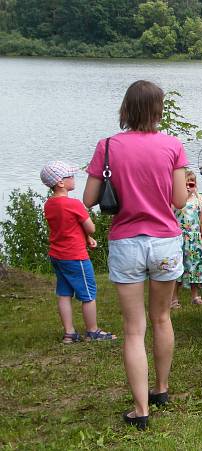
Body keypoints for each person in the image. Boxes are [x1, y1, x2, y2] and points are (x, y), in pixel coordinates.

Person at [84, 80, 188, 430]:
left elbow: (88, 199)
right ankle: (161, 388)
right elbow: (179, 202)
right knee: (161, 319)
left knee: (133, 330)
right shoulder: (173, 146)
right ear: (158, 110)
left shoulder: (108, 146)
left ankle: (141, 410)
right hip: (164, 243)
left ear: (126, 108)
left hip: (126, 243)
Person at [40, 161, 117, 344]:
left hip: (57, 255)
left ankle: (69, 333)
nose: (74, 179)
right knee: (88, 294)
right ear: (60, 182)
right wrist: (89, 233)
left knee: (64, 293)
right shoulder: (74, 204)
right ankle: (92, 331)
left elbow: (66, 227)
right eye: (70, 176)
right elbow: (90, 227)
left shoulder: (49, 204)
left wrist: (84, 238)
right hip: (75, 256)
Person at [172, 170, 202, 308]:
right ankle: (174, 299)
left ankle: (195, 296)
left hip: (194, 241)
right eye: (185, 184)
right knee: (177, 269)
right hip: (179, 239)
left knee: (195, 268)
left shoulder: (198, 201)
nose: (188, 187)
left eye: (191, 184)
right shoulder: (175, 200)